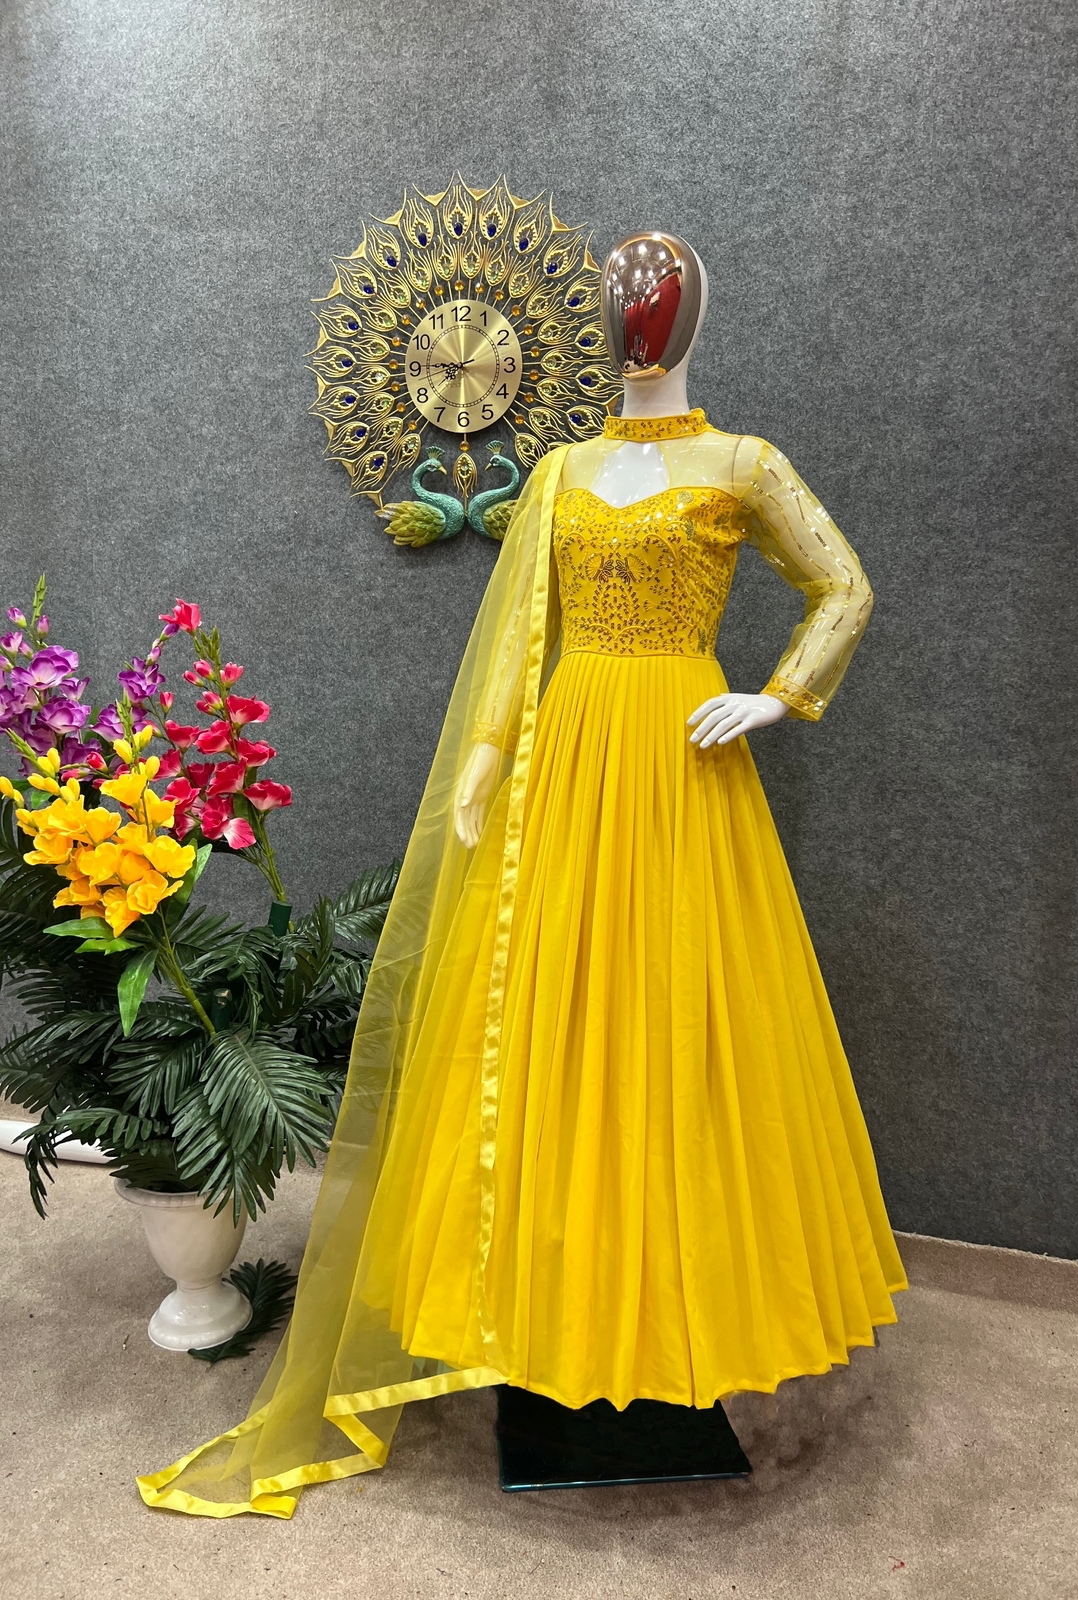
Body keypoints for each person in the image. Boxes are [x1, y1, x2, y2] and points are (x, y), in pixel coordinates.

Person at [138, 230, 905, 1520]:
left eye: (660, 300)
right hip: (570, 762)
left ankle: (671, 1322)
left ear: (694, 319)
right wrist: (487, 758)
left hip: (685, 764)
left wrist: (778, 697)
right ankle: (553, 1312)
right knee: (557, 1024)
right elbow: (516, 644)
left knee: (680, 1022)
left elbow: (844, 588)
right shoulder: (557, 474)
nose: (639, 318)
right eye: (624, 300)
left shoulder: (745, 463)